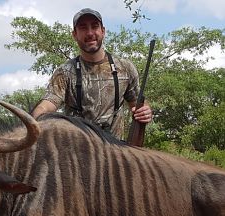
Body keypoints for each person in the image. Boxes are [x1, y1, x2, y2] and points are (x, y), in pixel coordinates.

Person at [31, 8, 153, 139]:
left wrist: (145, 111)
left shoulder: (125, 68)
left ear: (103, 31)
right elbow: (47, 104)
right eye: (83, 28)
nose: (90, 33)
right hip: (78, 153)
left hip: (116, 152)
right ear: (74, 35)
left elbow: (137, 105)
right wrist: (34, 119)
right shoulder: (65, 72)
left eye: (94, 26)